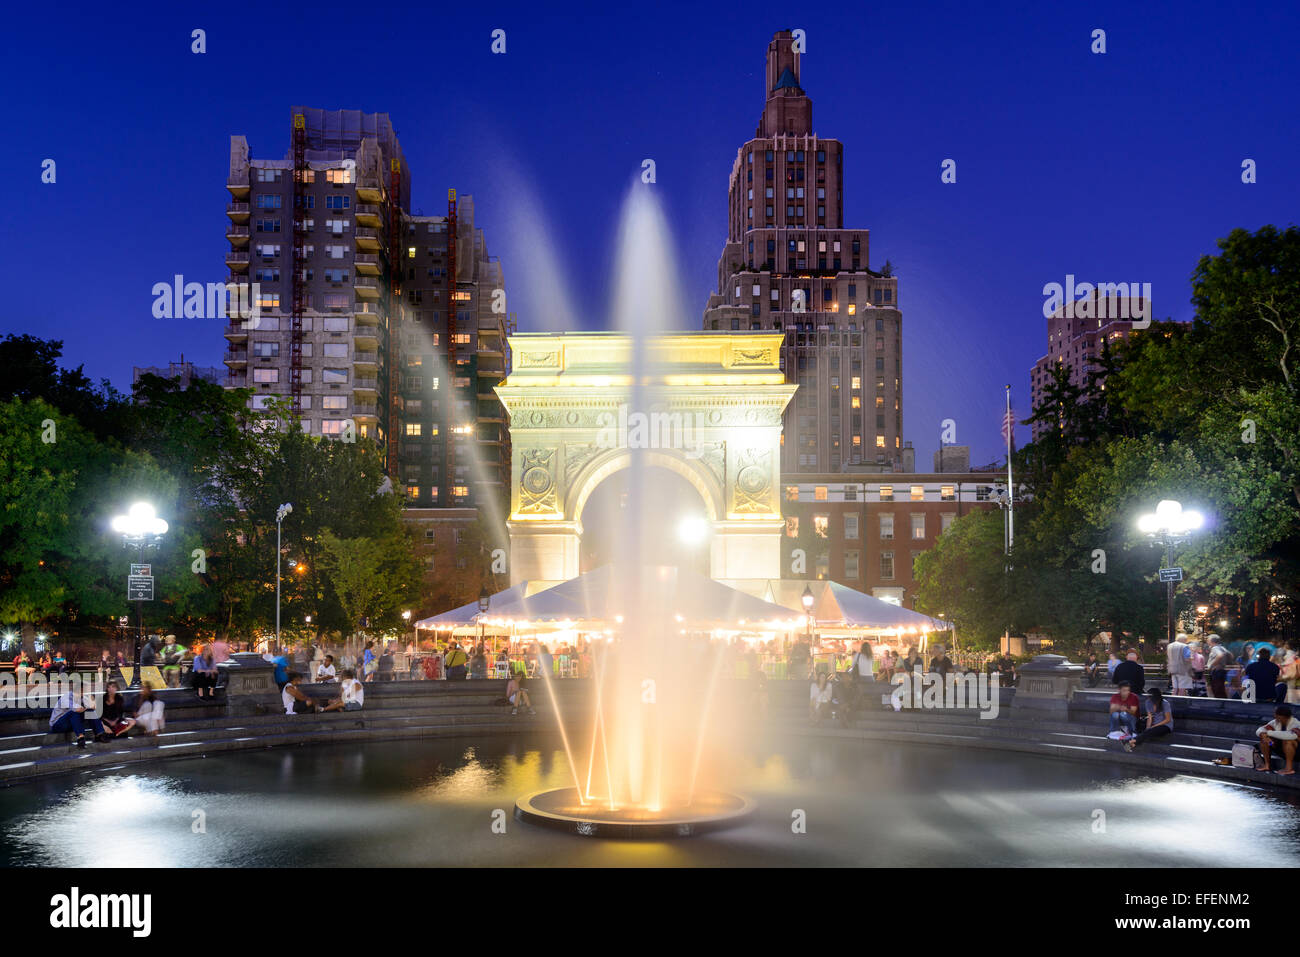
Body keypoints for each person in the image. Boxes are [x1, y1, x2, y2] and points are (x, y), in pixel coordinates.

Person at [1256, 705, 1299, 775]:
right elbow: (1260, 729)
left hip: (1296, 751)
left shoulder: (1296, 724)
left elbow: (1291, 735)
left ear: (1284, 717)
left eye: (1277, 715)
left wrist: (1268, 733)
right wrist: (1263, 735)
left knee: (1288, 741)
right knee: (1264, 741)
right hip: (1276, 747)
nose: (1275, 717)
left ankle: (1289, 768)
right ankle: (1267, 765)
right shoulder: (1275, 722)